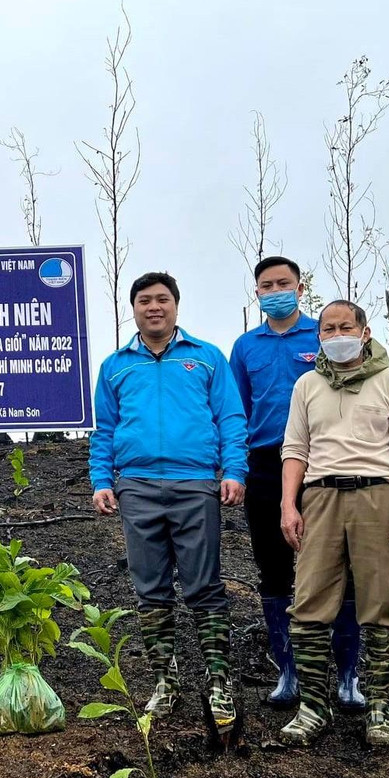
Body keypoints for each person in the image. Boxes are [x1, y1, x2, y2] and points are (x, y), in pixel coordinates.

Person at [90, 271, 249, 735]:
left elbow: (231, 417)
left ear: (176, 306)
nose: (153, 306)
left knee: (204, 586)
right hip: (136, 486)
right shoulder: (116, 366)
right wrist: (103, 478)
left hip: (196, 483)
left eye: (162, 299)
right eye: (144, 300)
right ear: (133, 308)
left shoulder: (206, 359)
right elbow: (105, 429)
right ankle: (165, 678)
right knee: (150, 588)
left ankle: (218, 679)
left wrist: (234, 470)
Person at [278, 301, 389, 747]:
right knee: (308, 602)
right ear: (318, 335)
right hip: (319, 496)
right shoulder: (307, 384)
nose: (336, 334)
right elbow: (294, 448)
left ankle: (380, 709)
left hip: (379, 494)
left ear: (364, 332)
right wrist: (289, 504)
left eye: (345, 327)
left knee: (380, 604)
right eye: (327, 328)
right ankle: (313, 708)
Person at [228, 256, 365, 712]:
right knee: (273, 563)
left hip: (326, 461)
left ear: (300, 287)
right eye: (266, 285)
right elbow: (237, 410)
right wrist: (235, 466)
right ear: (257, 293)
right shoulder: (245, 346)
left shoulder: (326, 336)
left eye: (283, 282)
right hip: (266, 462)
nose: (275, 290)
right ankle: (289, 670)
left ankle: (347, 673)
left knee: (338, 564)